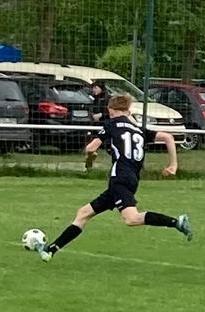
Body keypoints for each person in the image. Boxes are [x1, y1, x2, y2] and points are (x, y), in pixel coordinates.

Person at [35, 94, 192, 260]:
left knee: (131, 219)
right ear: (128, 111)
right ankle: (49, 251)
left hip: (119, 179)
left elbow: (90, 148)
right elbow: (168, 137)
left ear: (111, 110)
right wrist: (173, 165)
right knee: (84, 213)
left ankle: (176, 222)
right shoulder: (138, 129)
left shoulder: (111, 124)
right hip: (131, 179)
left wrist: (90, 159)